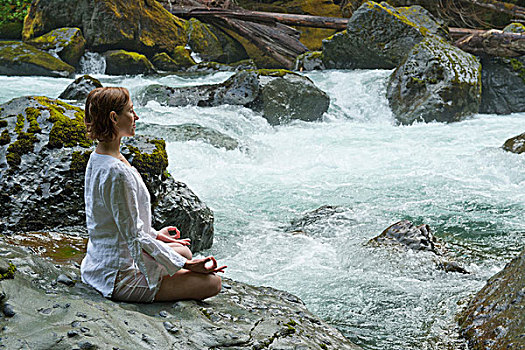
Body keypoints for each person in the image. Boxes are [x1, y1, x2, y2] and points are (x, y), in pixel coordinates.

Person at [81, 87, 225, 303]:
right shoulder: (116, 172)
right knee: (213, 283)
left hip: (100, 261)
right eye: (130, 111)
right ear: (114, 118)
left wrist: (155, 234)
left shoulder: (99, 157)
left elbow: (117, 221)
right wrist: (187, 266)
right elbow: (133, 236)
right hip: (118, 277)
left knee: (183, 250)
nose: (136, 116)